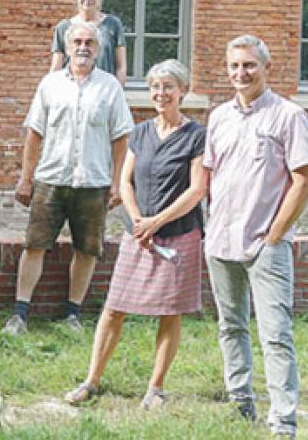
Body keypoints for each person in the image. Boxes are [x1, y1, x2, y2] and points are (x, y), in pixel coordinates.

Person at [63, 59, 207, 408]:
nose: (161, 93)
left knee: (169, 312)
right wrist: (138, 219)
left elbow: (197, 189)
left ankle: (155, 388)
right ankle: (91, 380)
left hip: (179, 235)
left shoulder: (197, 135)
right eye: (155, 87)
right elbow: (124, 181)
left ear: (182, 91)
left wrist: (156, 222)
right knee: (113, 308)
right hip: (138, 234)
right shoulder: (140, 132)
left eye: (168, 87)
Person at [204, 35, 308, 438]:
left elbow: (303, 181)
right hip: (220, 242)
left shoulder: (289, 115)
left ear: (266, 68)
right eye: (234, 66)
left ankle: (283, 420)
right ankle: (240, 404)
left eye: (249, 65)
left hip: (265, 245)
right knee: (230, 327)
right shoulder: (218, 117)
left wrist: (274, 236)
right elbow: (211, 175)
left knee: (276, 335)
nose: (241, 73)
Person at [3, 21, 132, 335]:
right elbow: (34, 134)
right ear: (68, 46)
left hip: (94, 181)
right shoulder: (50, 85)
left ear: (98, 49)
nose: (83, 47)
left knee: (87, 249)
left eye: (90, 42)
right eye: (78, 42)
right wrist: (26, 178)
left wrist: (117, 184)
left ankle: (72, 314)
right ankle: (20, 314)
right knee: (35, 245)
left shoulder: (110, 87)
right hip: (51, 179)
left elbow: (121, 139)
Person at [50, 0, 127, 84]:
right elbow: (56, 67)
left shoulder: (113, 24)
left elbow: (121, 66)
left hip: (104, 92)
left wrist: (117, 92)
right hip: (71, 91)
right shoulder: (63, 27)